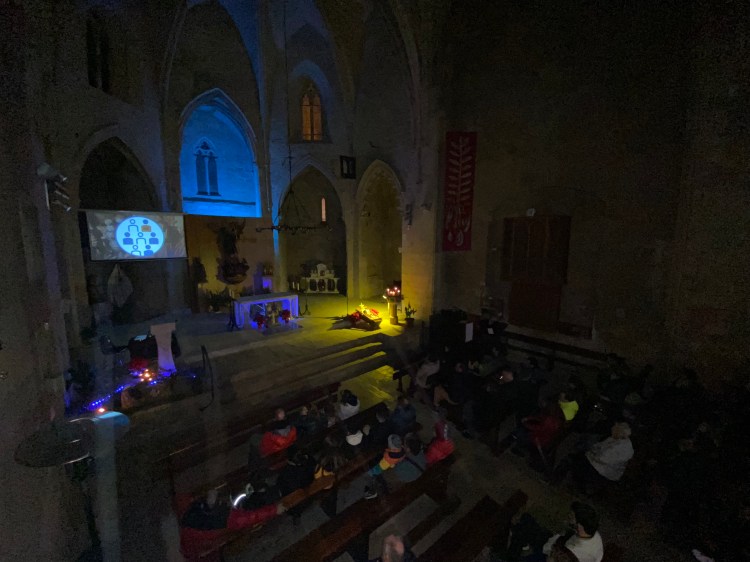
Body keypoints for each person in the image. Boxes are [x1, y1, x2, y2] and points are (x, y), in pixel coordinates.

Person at [364, 434, 406, 499]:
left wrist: (372, 472)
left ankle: (372, 491)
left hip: (383, 465)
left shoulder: (388, 456)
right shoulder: (402, 450)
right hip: (392, 463)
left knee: (370, 474)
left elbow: (381, 464)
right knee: (374, 475)